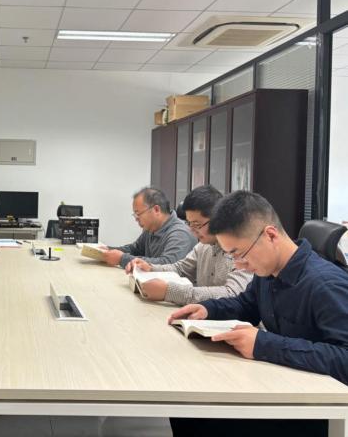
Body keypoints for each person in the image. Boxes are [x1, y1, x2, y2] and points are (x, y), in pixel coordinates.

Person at [168, 190, 348, 437]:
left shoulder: (325, 285)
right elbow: (247, 305)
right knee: (186, 407)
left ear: (270, 235)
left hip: (313, 411)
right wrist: (208, 309)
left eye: (239, 254)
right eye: (231, 256)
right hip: (280, 386)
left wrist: (263, 344)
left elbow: (345, 359)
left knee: (197, 416)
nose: (238, 265)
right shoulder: (268, 271)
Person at [129, 185, 252, 305]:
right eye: (189, 223)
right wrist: (151, 268)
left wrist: (169, 292)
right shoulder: (203, 245)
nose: (192, 230)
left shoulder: (241, 251)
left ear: (217, 219)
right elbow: (181, 269)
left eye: (197, 224)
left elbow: (233, 294)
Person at [101, 187, 196, 269]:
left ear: (156, 210)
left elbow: (167, 264)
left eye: (138, 214)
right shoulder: (151, 229)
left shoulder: (180, 233)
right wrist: (108, 250)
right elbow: (135, 249)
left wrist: (122, 259)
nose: (136, 219)